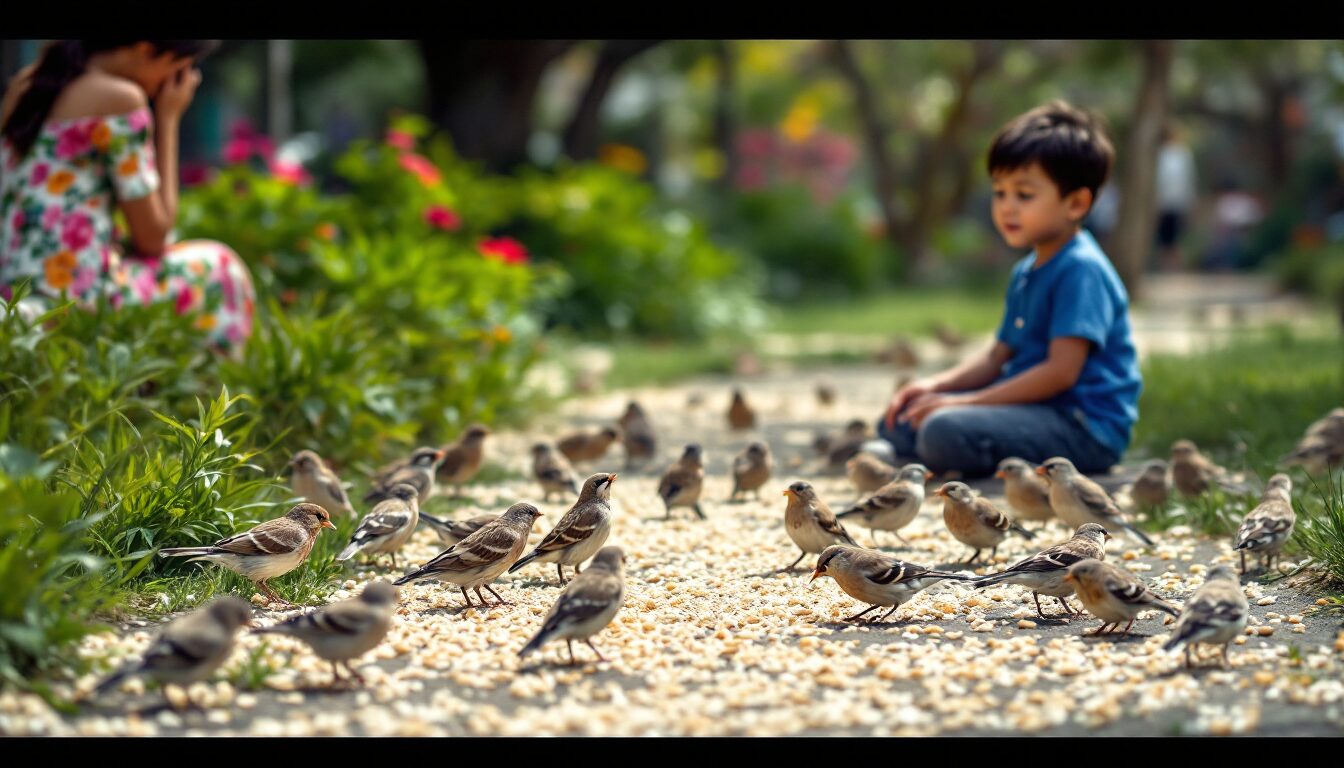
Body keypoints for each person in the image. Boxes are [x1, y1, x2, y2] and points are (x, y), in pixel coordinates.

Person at [873, 100, 1141, 479]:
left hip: (1082, 427)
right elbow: (997, 357)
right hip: (1031, 411)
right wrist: (934, 386)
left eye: (1024, 195)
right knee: (900, 416)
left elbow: (1060, 373)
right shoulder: (1028, 270)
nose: (1007, 208)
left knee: (941, 428)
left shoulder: (1081, 269)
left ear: (1076, 203)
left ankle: (955, 457)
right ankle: (937, 449)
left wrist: (963, 403)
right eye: (1000, 193)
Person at [1, 40, 254, 353]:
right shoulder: (120, 99)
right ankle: (213, 396)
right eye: (176, 70)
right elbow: (154, 237)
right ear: (146, 49)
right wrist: (168, 118)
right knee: (222, 269)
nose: (175, 84)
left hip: (10, 294)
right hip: (73, 302)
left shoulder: (27, 84)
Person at [1155, 122, 1197, 271]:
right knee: (1165, 237)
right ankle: (1166, 267)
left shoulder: (1183, 154)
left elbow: (1189, 180)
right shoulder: (1160, 154)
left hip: (1177, 202)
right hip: (1163, 203)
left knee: (1175, 237)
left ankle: (1175, 267)